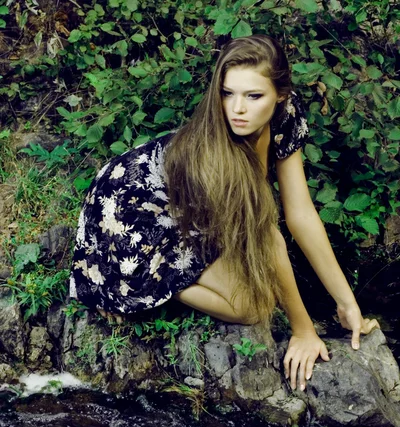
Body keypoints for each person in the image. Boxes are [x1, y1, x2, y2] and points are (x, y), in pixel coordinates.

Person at [70, 35, 378, 390]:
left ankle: (171, 272)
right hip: (129, 210)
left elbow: (300, 214)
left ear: (281, 96)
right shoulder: (214, 152)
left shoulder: (286, 115)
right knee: (251, 307)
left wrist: (347, 303)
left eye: (253, 96)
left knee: (256, 297)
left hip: (180, 205)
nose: (237, 109)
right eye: (227, 93)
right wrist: (303, 330)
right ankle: (147, 281)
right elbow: (266, 235)